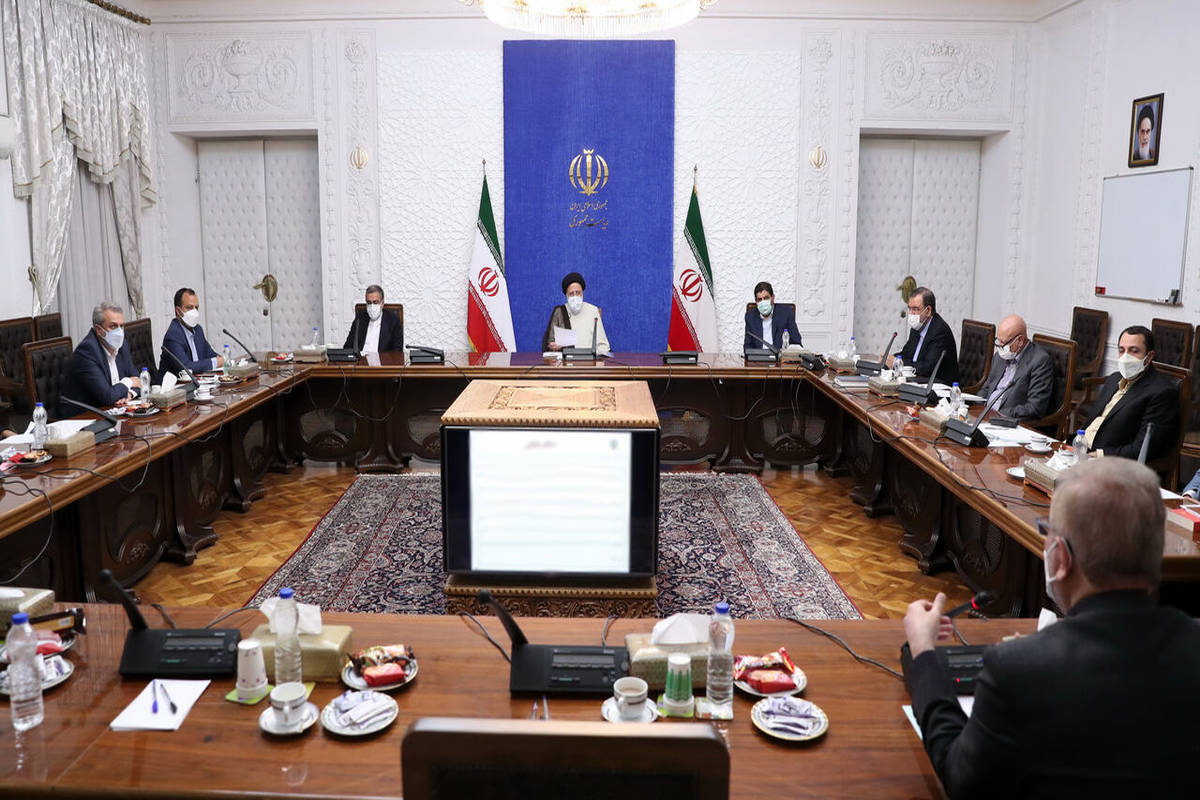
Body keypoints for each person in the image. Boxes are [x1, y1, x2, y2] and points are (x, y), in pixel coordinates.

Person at [904, 457, 1200, 798]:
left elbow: (960, 778)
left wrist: (923, 654)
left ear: (1060, 557)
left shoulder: (1017, 669)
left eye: (1047, 532)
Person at [1082, 325, 1178, 460]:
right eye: (1121, 350)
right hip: (1080, 449)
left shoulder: (1162, 393)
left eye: (1134, 351)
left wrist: (1099, 455)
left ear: (1149, 356)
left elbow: (1144, 448)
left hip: (1107, 461)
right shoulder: (1114, 379)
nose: (1125, 357)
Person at [59, 302, 140, 417]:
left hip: (113, 411)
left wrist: (130, 394)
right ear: (98, 329)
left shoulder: (122, 345)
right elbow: (107, 396)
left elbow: (138, 379)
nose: (119, 332)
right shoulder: (87, 351)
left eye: (121, 326)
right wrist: (128, 382)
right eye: (113, 326)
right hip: (84, 418)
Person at [977, 314, 1054, 421]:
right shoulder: (1000, 356)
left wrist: (998, 414)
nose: (1000, 346)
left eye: (1003, 342)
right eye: (998, 340)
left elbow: (1035, 408)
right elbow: (986, 388)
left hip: (1007, 421)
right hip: (983, 416)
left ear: (1020, 340)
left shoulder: (1040, 361)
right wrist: (975, 408)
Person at [888, 287, 959, 383]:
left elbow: (928, 368)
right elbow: (906, 354)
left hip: (939, 385)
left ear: (928, 311)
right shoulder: (918, 326)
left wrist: (897, 363)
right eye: (909, 308)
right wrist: (889, 359)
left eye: (915, 309)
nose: (911, 314)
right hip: (918, 381)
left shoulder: (939, 331)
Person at [160, 287, 224, 377]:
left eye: (196, 308)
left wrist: (223, 360)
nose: (194, 312)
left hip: (197, 381)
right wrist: (216, 362)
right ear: (178, 311)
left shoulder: (198, 330)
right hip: (175, 385)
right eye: (189, 308)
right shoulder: (173, 335)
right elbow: (186, 368)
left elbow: (210, 355)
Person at [542, 272, 610, 354]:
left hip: (589, 359)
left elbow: (604, 346)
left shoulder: (593, 310)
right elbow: (550, 344)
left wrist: (595, 355)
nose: (575, 297)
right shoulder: (559, 312)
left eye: (578, 292)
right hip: (567, 360)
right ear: (566, 296)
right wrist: (553, 346)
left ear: (582, 293)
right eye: (571, 294)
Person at [343, 285, 403, 354]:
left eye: (375, 302)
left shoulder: (393, 321)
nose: (372, 306)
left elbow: (397, 351)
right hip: (361, 359)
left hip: (382, 359)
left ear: (382, 303)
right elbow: (347, 347)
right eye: (369, 303)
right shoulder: (360, 319)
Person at [742, 281, 802, 350]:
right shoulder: (750, 316)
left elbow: (796, 342)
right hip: (759, 355)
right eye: (759, 300)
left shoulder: (786, 314)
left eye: (766, 298)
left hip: (780, 355)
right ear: (756, 301)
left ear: (773, 297)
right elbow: (747, 346)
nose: (763, 302)